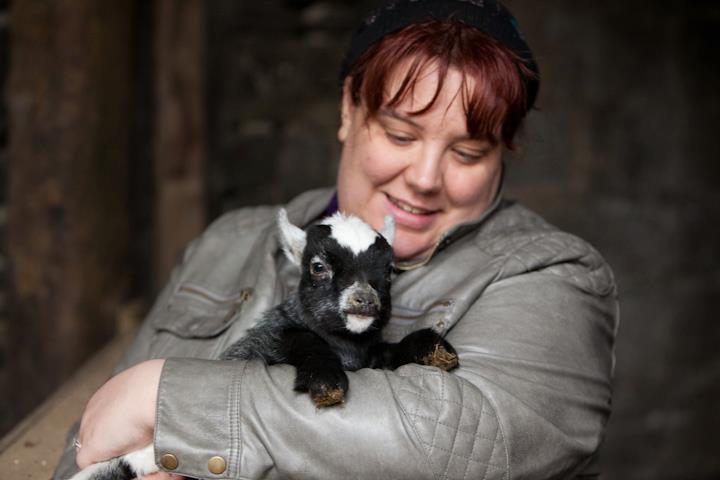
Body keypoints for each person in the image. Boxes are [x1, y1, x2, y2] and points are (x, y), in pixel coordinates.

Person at [54, 1, 619, 479]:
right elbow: (98, 432)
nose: (425, 178)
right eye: (400, 133)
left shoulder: (554, 275)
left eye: (467, 152)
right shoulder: (231, 240)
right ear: (349, 110)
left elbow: (487, 436)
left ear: (505, 151)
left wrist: (167, 397)